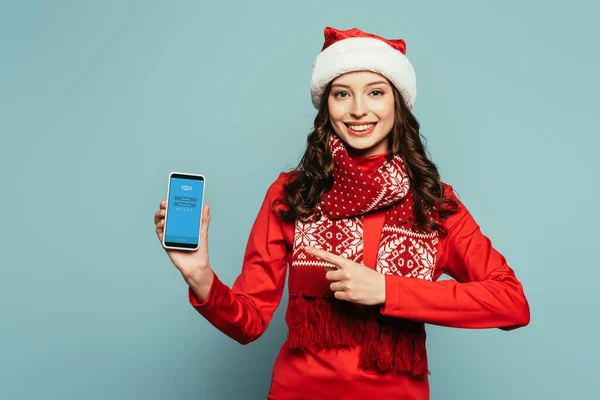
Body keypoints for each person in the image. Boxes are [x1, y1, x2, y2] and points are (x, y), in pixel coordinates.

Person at [153, 26, 530, 400]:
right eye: (342, 93)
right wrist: (200, 275)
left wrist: (387, 290)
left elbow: (511, 303)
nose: (358, 110)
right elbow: (248, 323)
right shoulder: (291, 195)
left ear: (397, 103)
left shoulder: (432, 202)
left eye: (376, 93)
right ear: (326, 105)